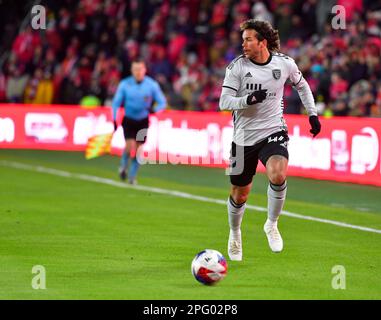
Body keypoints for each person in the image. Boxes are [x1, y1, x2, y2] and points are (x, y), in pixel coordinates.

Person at [219, 19, 321, 261]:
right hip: (243, 137)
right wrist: (248, 100)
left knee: (278, 173)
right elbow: (224, 102)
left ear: (262, 42)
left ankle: (272, 224)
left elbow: (303, 86)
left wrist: (313, 114)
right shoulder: (237, 68)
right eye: (243, 39)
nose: (243, 43)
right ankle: (235, 233)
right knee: (240, 193)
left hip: (274, 130)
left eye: (248, 39)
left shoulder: (284, 64)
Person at [112, 58, 167, 184]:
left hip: (143, 120)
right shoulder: (125, 84)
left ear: (144, 70)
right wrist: (114, 119)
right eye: (135, 69)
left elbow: (162, 102)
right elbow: (116, 103)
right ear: (132, 70)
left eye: (140, 69)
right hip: (129, 119)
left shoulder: (151, 85)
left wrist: (155, 109)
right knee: (129, 146)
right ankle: (123, 166)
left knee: (139, 149)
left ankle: (132, 176)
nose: (138, 72)